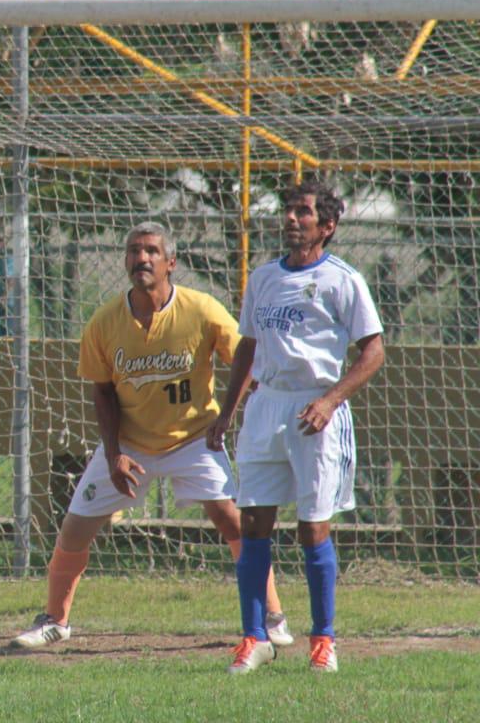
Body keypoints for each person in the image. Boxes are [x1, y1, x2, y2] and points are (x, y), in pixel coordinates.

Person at [11, 223, 291, 649]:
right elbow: (102, 392)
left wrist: (226, 416)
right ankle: (55, 619)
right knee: (74, 529)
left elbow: (246, 358)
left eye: (151, 252)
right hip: (130, 445)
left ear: (170, 263)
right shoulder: (105, 322)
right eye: (133, 251)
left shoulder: (202, 310)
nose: (141, 258)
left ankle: (271, 615)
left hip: (194, 439)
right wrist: (112, 456)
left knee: (233, 520)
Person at [208, 179, 384, 675]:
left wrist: (330, 400)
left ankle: (323, 640)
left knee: (312, 528)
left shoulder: (343, 280)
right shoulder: (262, 279)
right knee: (253, 523)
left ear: (326, 226)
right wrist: (227, 411)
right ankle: (254, 637)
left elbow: (374, 352)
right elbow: (247, 347)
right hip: (266, 407)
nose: (291, 218)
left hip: (317, 412)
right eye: (288, 210)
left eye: (303, 212)